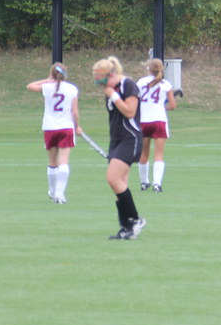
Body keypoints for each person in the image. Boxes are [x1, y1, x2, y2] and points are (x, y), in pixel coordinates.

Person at [92, 56, 146, 240]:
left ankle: (136, 220)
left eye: (102, 80)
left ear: (111, 74)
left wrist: (114, 96)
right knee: (119, 186)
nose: (101, 85)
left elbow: (130, 111)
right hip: (116, 140)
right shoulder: (110, 90)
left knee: (113, 178)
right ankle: (126, 228)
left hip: (130, 138)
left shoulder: (127, 85)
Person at [26, 62, 81, 204]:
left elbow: (30, 86)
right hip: (66, 128)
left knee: (52, 162)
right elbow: (74, 112)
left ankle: (52, 191)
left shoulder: (47, 87)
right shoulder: (72, 88)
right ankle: (59, 194)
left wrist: (46, 80)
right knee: (63, 161)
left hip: (50, 128)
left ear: (52, 74)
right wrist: (77, 127)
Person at [136, 58, 176, 192]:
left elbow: (135, 100)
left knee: (143, 154)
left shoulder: (141, 82)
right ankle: (157, 184)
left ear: (149, 68)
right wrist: (162, 107)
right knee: (159, 155)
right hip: (159, 120)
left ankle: (144, 182)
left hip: (143, 121)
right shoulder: (165, 84)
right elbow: (172, 105)